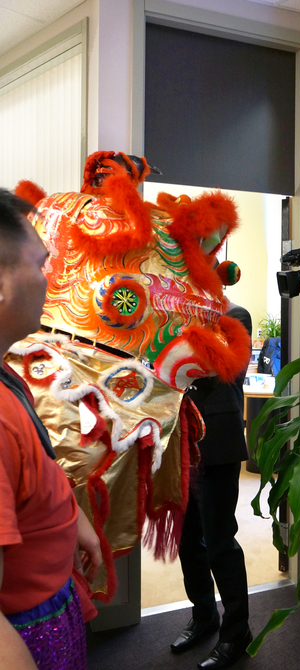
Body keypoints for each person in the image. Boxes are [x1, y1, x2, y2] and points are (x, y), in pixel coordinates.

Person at [0, 189, 102, 670]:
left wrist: (76, 523)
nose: (51, 278)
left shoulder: (7, 377)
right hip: (25, 629)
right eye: (40, 265)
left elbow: (36, 467)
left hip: (51, 597)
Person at [170, 302, 253, 669]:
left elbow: (221, 365)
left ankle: (237, 633)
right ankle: (204, 616)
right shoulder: (168, 320)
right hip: (179, 441)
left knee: (220, 540)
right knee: (188, 538)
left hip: (218, 442)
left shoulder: (235, 317)